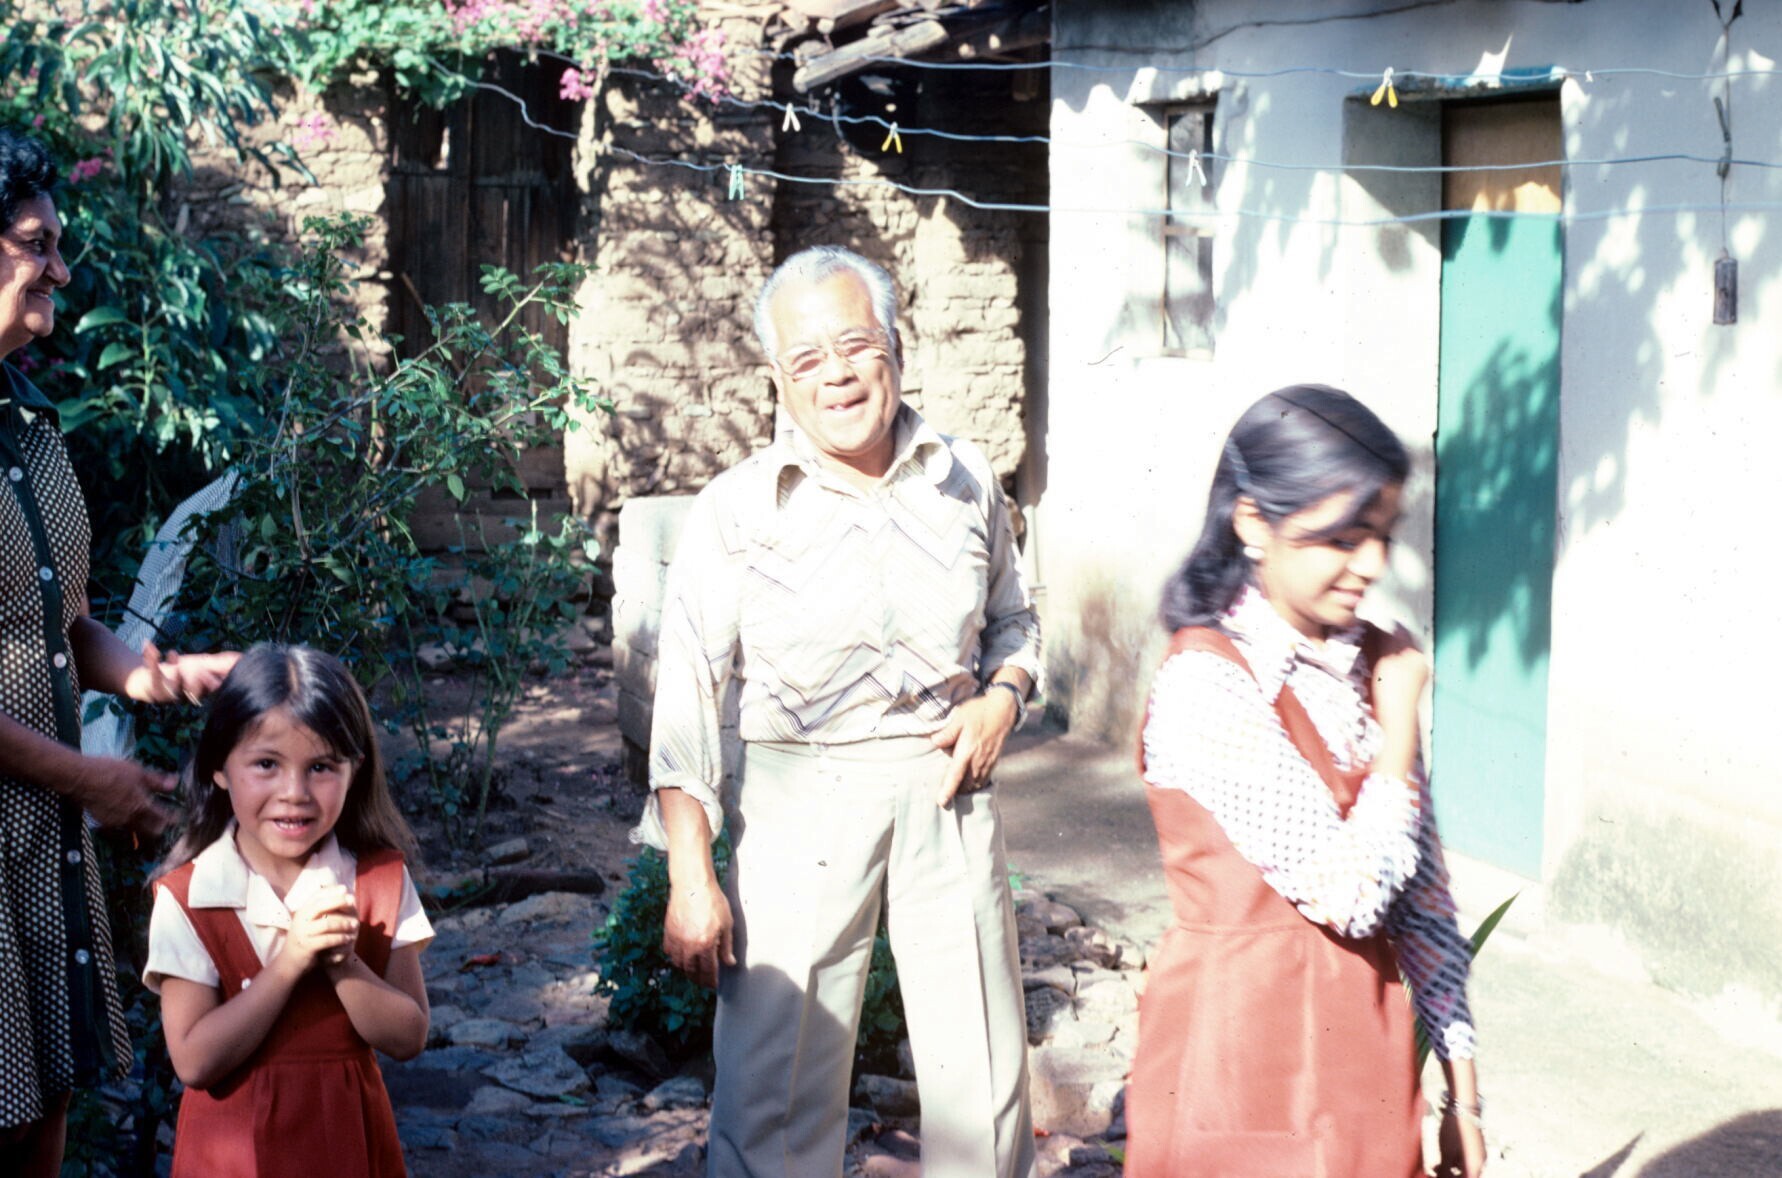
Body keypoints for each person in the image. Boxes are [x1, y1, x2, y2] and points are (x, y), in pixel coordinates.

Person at [638, 245, 1040, 1177]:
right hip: (800, 799)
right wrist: (691, 874)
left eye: (857, 346)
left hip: (949, 788)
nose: (839, 376)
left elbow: (1017, 621)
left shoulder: (964, 476)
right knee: (773, 1093)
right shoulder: (738, 509)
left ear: (897, 346)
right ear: (777, 379)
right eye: (808, 359)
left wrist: (1001, 702)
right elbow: (687, 696)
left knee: (983, 1086)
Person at [1126, 385, 1485, 1178]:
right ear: (1254, 522)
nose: (1373, 565)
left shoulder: (1368, 666)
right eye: (1344, 538)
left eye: (1382, 535)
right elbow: (1351, 897)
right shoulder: (1208, 682)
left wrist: (1463, 1099)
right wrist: (1400, 726)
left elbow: (1423, 905)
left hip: (1362, 1062)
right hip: (1238, 1064)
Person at [0, 127, 239, 1176]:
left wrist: (156, 674)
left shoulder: (27, 421)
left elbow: (52, 621)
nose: (59, 270)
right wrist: (85, 777)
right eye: (36, 244)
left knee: (44, 1096)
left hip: (36, 832)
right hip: (28, 804)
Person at [144, 644, 431, 1177]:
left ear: (354, 770)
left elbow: (409, 1036)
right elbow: (194, 1061)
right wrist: (291, 962)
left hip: (346, 1150)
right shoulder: (189, 897)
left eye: (320, 767)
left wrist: (343, 963)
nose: (294, 793)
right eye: (267, 765)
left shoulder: (379, 881)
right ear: (219, 768)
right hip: (230, 1161)